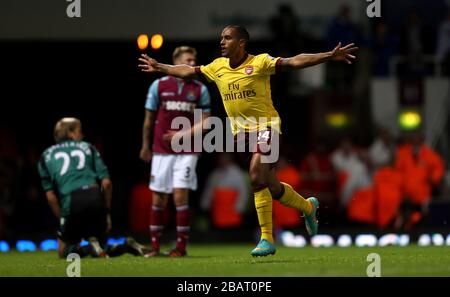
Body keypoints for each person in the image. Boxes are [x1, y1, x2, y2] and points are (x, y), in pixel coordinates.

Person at [138, 25, 358, 256]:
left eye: (227, 38)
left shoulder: (261, 62)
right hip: (241, 136)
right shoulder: (217, 67)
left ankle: (266, 238)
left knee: (255, 175)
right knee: (271, 186)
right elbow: (187, 71)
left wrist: (329, 56)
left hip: (267, 128)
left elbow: (294, 61)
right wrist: (160, 66)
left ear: (241, 42)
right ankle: (308, 206)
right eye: (221, 38)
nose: (222, 42)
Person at [139, 46, 211, 257]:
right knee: (159, 198)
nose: (192, 63)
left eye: (194, 59)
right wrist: (145, 145)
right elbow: (148, 119)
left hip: (187, 151)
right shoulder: (159, 85)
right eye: (189, 59)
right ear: (176, 61)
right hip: (161, 150)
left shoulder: (200, 89)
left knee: (180, 195)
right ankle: (154, 247)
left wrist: (184, 135)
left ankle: (180, 248)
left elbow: (206, 122)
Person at [38, 118, 145, 258]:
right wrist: (106, 212)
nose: (82, 135)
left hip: (71, 200)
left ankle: (88, 248)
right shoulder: (88, 147)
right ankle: (125, 246)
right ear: (70, 133)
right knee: (103, 248)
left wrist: (63, 219)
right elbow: (106, 183)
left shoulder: (45, 155)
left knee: (63, 251)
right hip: (95, 197)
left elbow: (51, 197)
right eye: (79, 131)